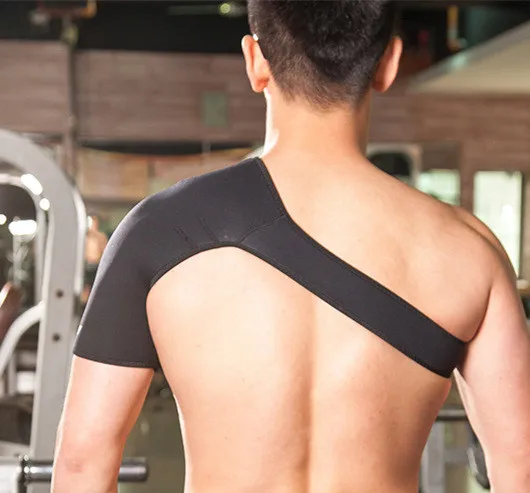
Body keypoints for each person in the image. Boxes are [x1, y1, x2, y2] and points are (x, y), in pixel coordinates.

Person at [52, 1, 530, 492]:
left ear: (254, 61)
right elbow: (522, 469)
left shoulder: (156, 232)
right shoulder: (469, 251)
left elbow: (82, 465)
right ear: (389, 62)